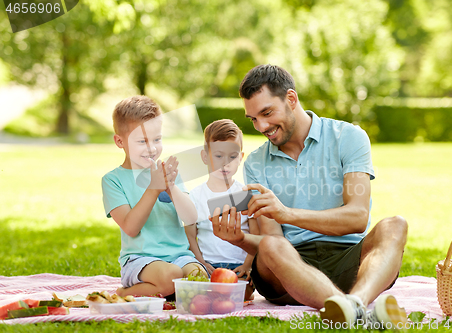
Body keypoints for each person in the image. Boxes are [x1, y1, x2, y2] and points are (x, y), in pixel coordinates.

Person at [210, 65, 408, 328]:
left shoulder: (349, 138)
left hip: (349, 257)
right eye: (253, 119)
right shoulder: (256, 163)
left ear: (291, 99)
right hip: (291, 269)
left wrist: (287, 214)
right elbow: (274, 244)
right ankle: (355, 311)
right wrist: (240, 239)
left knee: (395, 225)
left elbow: (358, 218)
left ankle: (354, 305)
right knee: (270, 245)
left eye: (267, 113)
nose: (262, 126)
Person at [101, 95, 207, 299]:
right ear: (120, 141)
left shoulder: (168, 173)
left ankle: (169, 291)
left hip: (180, 256)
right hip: (140, 260)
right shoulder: (112, 180)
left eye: (157, 139)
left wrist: (172, 188)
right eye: (142, 141)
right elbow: (131, 227)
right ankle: (125, 292)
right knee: (172, 277)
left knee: (200, 278)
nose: (152, 148)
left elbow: (191, 216)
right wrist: (154, 188)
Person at [185, 119, 259, 300]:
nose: (225, 163)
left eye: (232, 157)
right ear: (204, 156)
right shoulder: (194, 196)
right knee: (197, 290)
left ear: (240, 158)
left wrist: (248, 265)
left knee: (243, 295)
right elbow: (189, 236)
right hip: (208, 266)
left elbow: (256, 236)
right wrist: (200, 262)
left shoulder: (244, 195)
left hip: (239, 267)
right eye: (218, 156)